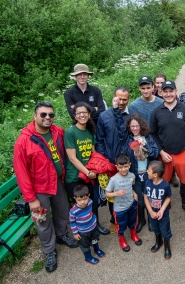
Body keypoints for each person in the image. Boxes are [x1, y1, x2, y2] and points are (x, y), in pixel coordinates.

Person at [13, 101, 78, 273]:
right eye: (43, 114)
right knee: (42, 221)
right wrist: (31, 199)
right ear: (35, 116)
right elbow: (21, 173)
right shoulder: (24, 141)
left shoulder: (57, 132)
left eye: (50, 115)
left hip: (57, 182)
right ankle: (49, 251)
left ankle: (62, 235)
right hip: (39, 189)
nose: (47, 117)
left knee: (63, 210)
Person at [149, 80, 185, 218]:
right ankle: (165, 200)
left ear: (176, 92)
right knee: (162, 180)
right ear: (161, 92)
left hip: (182, 151)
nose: (168, 94)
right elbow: (152, 133)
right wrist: (161, 152)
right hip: (165, 153)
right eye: (165, 91)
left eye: (171, 91)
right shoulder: (156, 112)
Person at [114, 94, 159, 233]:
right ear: (129, 126)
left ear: (141, 125)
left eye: (137, 125)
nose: (134, 128)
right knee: (139, 200)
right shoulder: (127, 140)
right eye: (132, 126)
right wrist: (116, 109)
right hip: (134, 175)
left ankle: (152, 220)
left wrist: (145, 145)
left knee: (151, 198)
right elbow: (124, 153)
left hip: (148, 174)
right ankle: (142, 220)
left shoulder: (148, 137)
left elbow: (155, 154)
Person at [63, 102, 110, 235]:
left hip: (89, 175)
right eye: (79, 113)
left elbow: (93, 153)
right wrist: (87, 172)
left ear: (89, 115)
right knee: (80, 207)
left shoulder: (89, 132)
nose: (82, 115)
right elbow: (72, 158)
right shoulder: (70, 133)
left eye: (85, 112)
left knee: (92, 203)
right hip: (75, 177)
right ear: (75, 115)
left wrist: (99, 167)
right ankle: (81, 233)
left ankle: (96, 226)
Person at [96, 87, 131, 228]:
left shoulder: (131, 115)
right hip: (110, 162)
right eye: (119, 99)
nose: (121, 102)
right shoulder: (104, 116)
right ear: (113, 97)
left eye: (124, 99)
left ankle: (129, 217)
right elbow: (100, 140)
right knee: (113, 192)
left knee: (127, 190)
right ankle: (114, 218)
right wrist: (105, 160)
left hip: (127, 162)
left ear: (128, 99)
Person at [105, 153, 142, 252]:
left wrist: (135, 194)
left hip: (131, 204)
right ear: (116, 166)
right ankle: (122, 240)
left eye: (126, 166)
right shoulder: (113, 180)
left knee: (133, 221)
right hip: (120, 208)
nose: (123, 169)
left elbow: (131, 186)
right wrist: (116, 193)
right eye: (120, 167)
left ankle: (133, 235)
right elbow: (107, 194)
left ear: (129, 165)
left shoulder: (132, 175)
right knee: (121, 225)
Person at [69, 184, 105, 265]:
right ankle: (88, 257)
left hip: (92, 227)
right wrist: (75, 233)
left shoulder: (90, 202)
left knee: (95, 239)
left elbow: (91, 212)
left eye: (85, 199)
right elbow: (72, 223)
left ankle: (97, 249)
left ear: (88, 196)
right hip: (82, 232)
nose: (82, 202)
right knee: (84, 245)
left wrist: (94, 220)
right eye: (79, 200)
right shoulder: (73, 211)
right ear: (75, 198)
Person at [144, 160, 172, 260]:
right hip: (152, 213)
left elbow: (168, 197)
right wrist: (150, 212)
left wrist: (162, 210)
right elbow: (145, 197)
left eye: (149, 170)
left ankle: (167, 247)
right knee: (155, 228)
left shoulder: (165, 185)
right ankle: (158, 242)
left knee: (165, 230)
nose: (147, 171)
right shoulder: (147, 183)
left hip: (163, 214)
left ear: (155, 174)